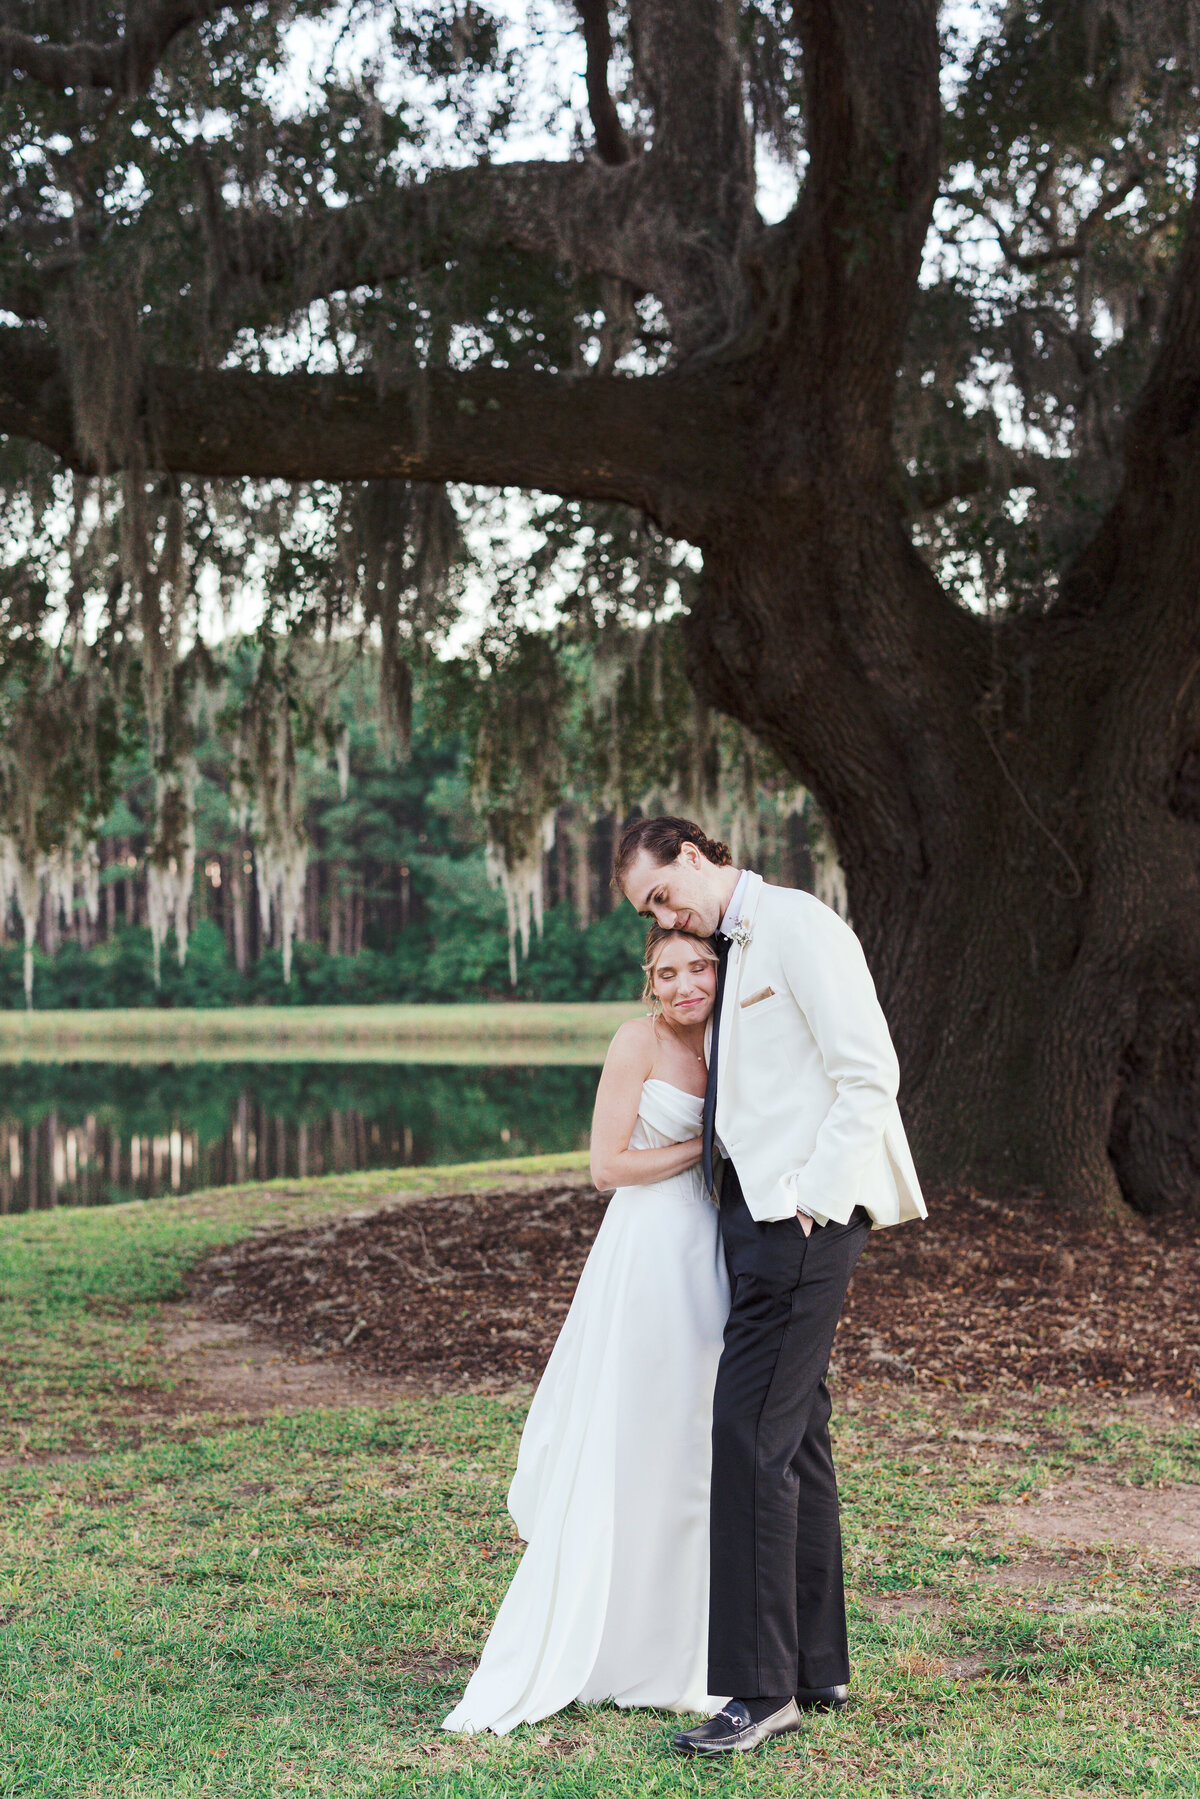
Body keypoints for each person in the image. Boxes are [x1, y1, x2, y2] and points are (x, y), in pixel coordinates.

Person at [613, 815, 926, 1758]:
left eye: (664, 892)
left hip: (803, 1215)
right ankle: (815, 1662)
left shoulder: (798, 924)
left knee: (746, 1432)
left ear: (697, 855)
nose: (664, 914)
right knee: (798, 1434)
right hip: (752, 1217)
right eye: (649, 911)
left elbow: (871, 1074)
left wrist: (814, 1203)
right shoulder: (735, 943)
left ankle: (759, 1691)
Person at [442, 925, 732, 1735]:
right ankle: (602, 1641)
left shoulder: (730, 1035)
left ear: (718, 969)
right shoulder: (634, 1043)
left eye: (697, 967)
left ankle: (685, 1646)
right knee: (630, 1434)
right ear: (650, 982)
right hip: (647, 1252)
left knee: (694, 1441)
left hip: (710, 1252)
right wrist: (699, 1144)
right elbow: (606, 1167)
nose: (683, 985)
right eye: (666, 972)